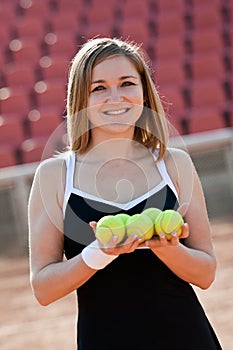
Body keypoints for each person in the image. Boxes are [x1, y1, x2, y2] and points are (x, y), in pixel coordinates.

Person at [28, 37, 222, 350]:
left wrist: (165, 247)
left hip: (187, 338)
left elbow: (206, 273)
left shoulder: (174, 164)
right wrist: (98, 254)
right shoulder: (55, 177)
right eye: (99, 87)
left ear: (144, 92)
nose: (115, 97)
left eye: (127, 83)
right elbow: (43, 289)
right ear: (81, 98)